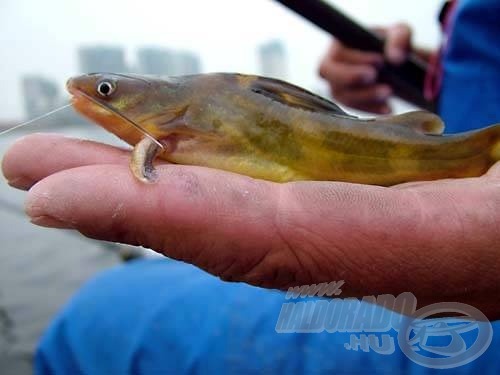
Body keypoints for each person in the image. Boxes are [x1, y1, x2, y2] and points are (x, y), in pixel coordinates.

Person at [3, 0, 500, 372]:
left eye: (106, 91)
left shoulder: (165, 131)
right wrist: (418, 65)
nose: (90, 95)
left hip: (462, 332)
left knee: (96, 320)